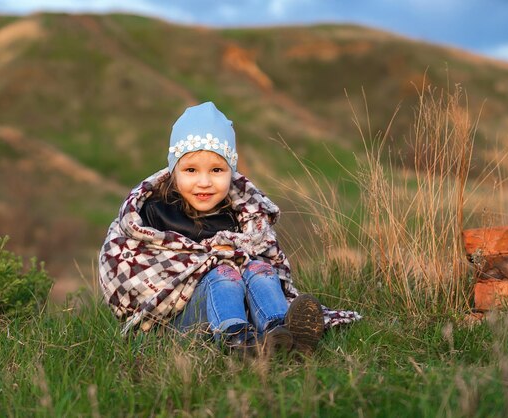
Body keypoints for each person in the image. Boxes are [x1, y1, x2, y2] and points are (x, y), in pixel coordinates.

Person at [98, 102, 361, 357]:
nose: (204, 182)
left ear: (231, 171)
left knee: (260, 268)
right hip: (181, 318)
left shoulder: (240, 213)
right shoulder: (153, 212)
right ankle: (237, 339)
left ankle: (281, 329)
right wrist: (215, 258)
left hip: (235, 303)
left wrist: (238, 256)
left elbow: (258, 254)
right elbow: (137, 263)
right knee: (222, 273)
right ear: (173, 171)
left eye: (216, 170)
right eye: (191, 170)